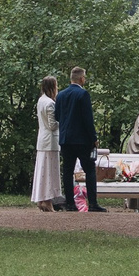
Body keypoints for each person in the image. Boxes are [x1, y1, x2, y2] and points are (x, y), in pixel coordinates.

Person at [57, 66, 106, 212]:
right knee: (90, 169)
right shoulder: (83, 94)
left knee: (67, 170)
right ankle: (93, 203)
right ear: (81, 78)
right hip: (82, 140)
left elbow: (57, 116)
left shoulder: (61, 95)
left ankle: (70, 203)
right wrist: (93, 138)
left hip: (66, 139)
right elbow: (87, 119)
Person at [30, 75, 61, 211]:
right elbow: (52, 125)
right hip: (50, 141)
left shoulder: (41, 101)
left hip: (42, 140)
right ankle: (47, 200)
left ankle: (41, 199)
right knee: (50, 171)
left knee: (42, 170)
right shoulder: (50, 103)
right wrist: (63, 121)